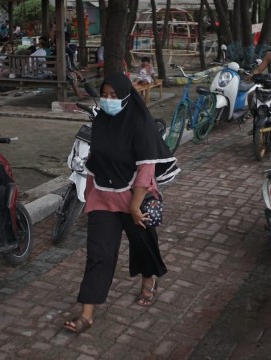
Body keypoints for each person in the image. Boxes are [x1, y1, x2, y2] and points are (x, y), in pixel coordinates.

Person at [63, 72, 179, 334]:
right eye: (104, 95)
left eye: (114, 96)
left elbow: (146, 168)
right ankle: (87, 314)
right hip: (103, 198)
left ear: (127, 96)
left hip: (133, 198)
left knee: (143, 245)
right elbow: (95, 160)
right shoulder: (102, 121)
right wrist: (89, 198)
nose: (108, 100)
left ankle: (148, 279)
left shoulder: (141, 125)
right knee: (98, 254)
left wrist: (136, 205)